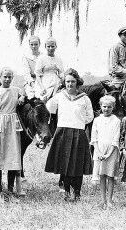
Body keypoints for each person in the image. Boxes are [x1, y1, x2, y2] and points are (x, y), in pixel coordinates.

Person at [45, 68, 94, 202]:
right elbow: (49, 107)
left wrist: (78, 123)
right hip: (63, 132)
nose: (70, 84)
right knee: (64, 163)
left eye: (72, 82)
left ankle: (77, 192)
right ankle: (66, 191)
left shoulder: (84, 98)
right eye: (67, 82)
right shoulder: (60, 96)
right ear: (64, 83)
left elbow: (90, 116)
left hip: (78, 132)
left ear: (77, 82)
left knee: (77, 164)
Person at [0, 67, 25, 195]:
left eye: (9, 77)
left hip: (12, 126)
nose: (7, 79)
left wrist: (22, 97)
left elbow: (25, 93)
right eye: (5, 77)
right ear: (0, 77)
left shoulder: (16, 90)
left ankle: (10, 189)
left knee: (12, 156)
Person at [90, 95, 120, 209]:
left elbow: (115, 139)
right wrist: (98, 152)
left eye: (109, 107)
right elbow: (94, 138)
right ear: (100, 106)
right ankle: (102, 200)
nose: (106, 109)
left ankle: (109, 201)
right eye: (104, 107)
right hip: (99, 151)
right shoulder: (97, 120)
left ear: (113, 107)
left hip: (111, 152)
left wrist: (108, 154)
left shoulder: (116, 121)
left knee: (110, 176)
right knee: (102, 176)